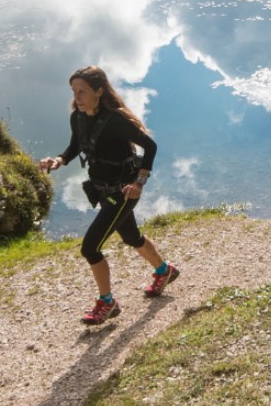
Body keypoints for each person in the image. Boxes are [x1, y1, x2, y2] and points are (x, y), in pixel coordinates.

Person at [38, 66, 176, 326]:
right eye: (74, 91)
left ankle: (107, 302)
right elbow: (76, 146)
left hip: (124, 191)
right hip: (101, 189)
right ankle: (164, 271)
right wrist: (58, 161)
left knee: (90, 247)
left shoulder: (116, 120)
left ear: (99, 91)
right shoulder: (77, 117)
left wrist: (140, 182)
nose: (77, 97)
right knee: (132, 237)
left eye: (83, 91)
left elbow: (150, 146)